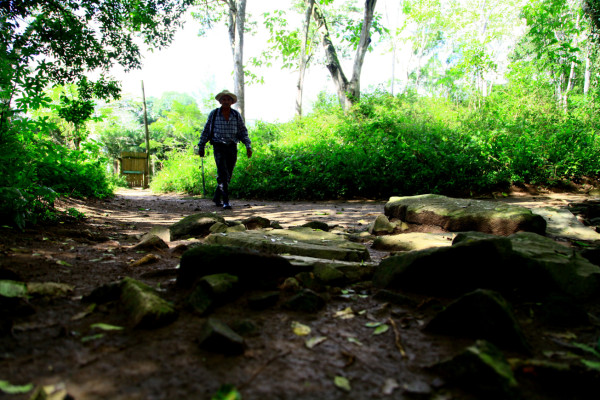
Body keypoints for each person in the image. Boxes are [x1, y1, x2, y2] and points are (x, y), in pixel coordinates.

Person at [197, 90, 252, 210]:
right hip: (218, 146)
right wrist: (201, 146)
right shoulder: (214, 114)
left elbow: (243, 131)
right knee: (223, 173)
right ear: (220, 101)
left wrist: (248, 146)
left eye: (228, 100)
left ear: (232, 102)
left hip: (232, 146)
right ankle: (226, 200)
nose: (226, 101)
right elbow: (206, 130)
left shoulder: (236, 115)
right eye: (224, 99)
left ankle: (217, 196)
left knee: (228, 174)